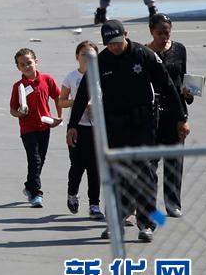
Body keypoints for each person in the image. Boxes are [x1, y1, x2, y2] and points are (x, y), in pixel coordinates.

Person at [67, 20, 188, 242]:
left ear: (126, 35)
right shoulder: (101, 61)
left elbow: (168, 86)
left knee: (144, 172)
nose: (114, 47)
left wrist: (181, 118)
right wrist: (72, 125)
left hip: (143, 123)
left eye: (117, 41)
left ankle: (147, 223)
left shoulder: (144, 55)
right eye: (109, 44)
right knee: (116, 175)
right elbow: (83, 94)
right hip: (114, 124)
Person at [146, 13, 194, 217]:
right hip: (152, 113)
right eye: (160, 33)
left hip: (176, 112)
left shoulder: (179, 49)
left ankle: (172, 203)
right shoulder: (144, 52)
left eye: (167, 32)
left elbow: (183, 77)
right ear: (151, 32)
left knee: (174, 160)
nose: (165, 37)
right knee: (150, 162)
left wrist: (188, 93)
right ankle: (147, 206)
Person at [9, 48, 62, 208]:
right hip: (27, 129)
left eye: (29, 63)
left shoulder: (47, 79)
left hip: (44, 126)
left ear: (36, 62)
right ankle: (36, 193)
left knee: (41, 159)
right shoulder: (18, 86)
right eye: (22, 64)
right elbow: (12, 109)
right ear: (18, 67)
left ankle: (29, 185)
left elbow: (58, 97)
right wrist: (19, 113)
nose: (27, 66)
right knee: (35, 160)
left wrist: (59, 117)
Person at [57, 41, 104, 219]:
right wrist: (79, 103)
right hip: (77, 127)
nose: (87, 58)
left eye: (92, 55)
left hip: (97, 128)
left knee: (95, 168)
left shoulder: (102, 76)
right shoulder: (71, 77)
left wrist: (97, 105)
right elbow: (61, 101)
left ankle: (94, 205)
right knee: (77, 165)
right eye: (84, 54)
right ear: (77, 56)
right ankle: (72, 194)